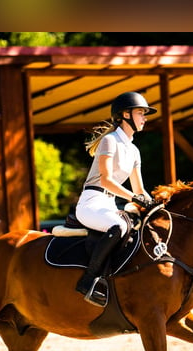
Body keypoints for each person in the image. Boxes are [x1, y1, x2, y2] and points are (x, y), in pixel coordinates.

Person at [73, 91, 158, 307]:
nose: (144, 118)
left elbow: (140, 188)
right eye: (141, 113)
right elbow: (107, 180)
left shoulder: (134, 150)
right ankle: (88, 280)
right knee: (119, 226)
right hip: (91, 201)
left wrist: (158, 205)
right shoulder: (110, 141)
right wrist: (135, 198)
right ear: (125, 115)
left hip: (110, 204)